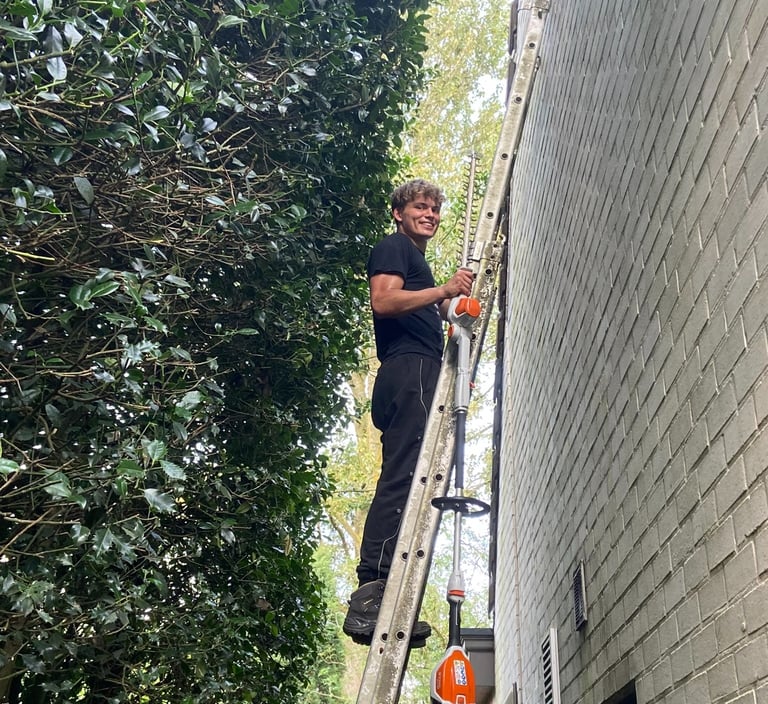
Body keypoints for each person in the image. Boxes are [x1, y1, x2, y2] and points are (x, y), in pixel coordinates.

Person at [343, 179, 474, 646]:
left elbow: (433, 307)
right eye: (421, 206)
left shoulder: (415, 260)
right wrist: (443, 289)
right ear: (399, 212)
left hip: (418, 370)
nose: (430, 215)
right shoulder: (394, 246)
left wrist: (452, 302)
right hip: (409, 370)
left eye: (435, 209)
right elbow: (384, 300)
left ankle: (389, 597)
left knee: (409, 475)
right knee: (402, 477)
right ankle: (371, 592)